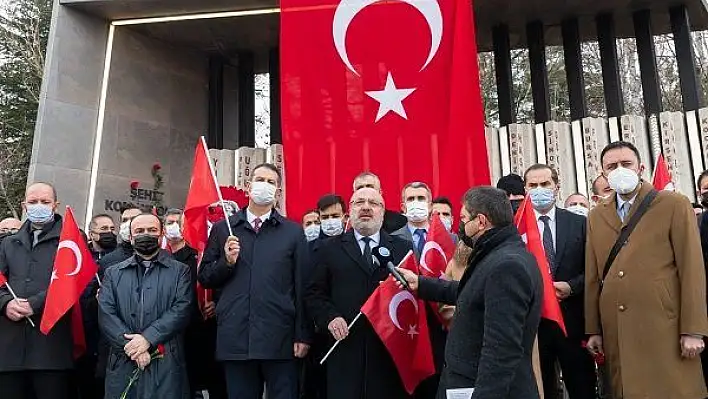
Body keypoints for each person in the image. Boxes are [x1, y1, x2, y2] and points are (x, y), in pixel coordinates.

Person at [585, 141, 708, 398]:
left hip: (665, 324)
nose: (619, 170)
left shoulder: (673, 204)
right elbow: (594, 276)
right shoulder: (597, 215)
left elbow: (692, 268)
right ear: (603, 173)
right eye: (612, 166)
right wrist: (593, 328)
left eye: (626, 164)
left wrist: (693, 330)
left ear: (640, 167)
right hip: (616, 328)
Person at [396, 186, 543, 399]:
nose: (461, 225)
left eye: (464, 218)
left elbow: (501, 350)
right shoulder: (497, 254)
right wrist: (421, 283)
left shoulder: (506, 266)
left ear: (481, 221)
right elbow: (474, 293)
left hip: (483, 388)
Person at [198, 163, 311, 399]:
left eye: (271, 182)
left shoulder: (293, 232)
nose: (265, 186)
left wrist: (302, 334)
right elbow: (205, 277)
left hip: (279, 338)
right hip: (236, 336)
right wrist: (226, 262)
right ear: (248, 186)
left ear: (278, 192)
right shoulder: (223, 229)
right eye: (260, 180)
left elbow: (301, 287)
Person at [305, 187, 413, 399]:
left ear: (383, 211)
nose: (366, 207)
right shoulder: (328, 249)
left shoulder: (403, 249)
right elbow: (314, 293)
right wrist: (330, 317)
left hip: (388, 352)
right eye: (359, 202)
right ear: (350, 211)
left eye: (373, 203)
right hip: (345, 348)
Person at [98, 213, 193, 398]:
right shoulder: (113, 273)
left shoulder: (180, 271)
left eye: (152, 230)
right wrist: (133, 347)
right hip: (123, 361)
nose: (146, 235)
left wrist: (147, 339)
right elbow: (106, 314)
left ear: (161, 234)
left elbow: (181, 309)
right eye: (140, 231)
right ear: (131, 237)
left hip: (166, 362)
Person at [524, 164, 596, 399]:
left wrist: (572, 287)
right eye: (533, 185)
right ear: (525, 189)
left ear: (556, 186)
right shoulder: (517, 227)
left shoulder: (579, 223)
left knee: (581, 388)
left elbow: (593, 271)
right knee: (542, 390)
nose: (539, 190)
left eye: (545, 184)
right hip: (534, 326)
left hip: (573, 325)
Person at [0, 182, 72, 399]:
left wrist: (35, 303)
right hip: (9, 351)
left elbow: (73, 283)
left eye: (44, 202)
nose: (38, 206)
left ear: (55, 205)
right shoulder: (8, 243)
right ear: (24, 206)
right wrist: (5, 303)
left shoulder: (69, 242)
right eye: (33, 202)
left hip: (50, 350)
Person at [391, 181, 447, 399]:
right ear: (402, 206)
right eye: (411, 199)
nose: (416, 204)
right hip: (407, 327)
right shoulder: (391, 240)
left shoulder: (449, 239)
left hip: (440, 326)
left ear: (431, 204)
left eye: (421, 199)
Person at [164, 209, 226, 398]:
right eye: (169, 222)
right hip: (171, 331)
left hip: (202, 327)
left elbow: (216, 281)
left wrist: (215, 302)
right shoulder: (159, 256)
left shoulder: (198, 255)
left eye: (178, 222)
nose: (174, 226)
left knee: (214, 380)